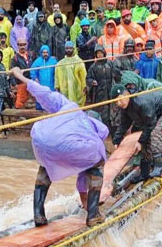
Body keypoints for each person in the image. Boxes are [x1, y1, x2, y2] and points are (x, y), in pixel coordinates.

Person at [11, 67, 107, 227]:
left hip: (41, 137)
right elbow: (83, 179)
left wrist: (18, 75)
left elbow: (44, 93)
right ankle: (93, 214)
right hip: (72, 145)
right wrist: (85, 201)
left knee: (46, 166)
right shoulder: (95, 135)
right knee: (97, 164)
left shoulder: (69, 106)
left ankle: (39, 215)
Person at [111, 71, 162, 182]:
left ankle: (158, 168)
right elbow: (124, 124)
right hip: (155, 112)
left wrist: (139, 142)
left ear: (127, 94)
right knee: (145, 139)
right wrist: (116, 140)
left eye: (121, 99)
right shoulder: (125, 108)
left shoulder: (141, 102)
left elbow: (150, 124)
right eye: (116, 102)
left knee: (155, 134)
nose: (119, 103)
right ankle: (144, 173)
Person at [86, 45, 117, 131]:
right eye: (98, 53)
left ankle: (112, 129)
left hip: (110, 90)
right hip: (99, 93)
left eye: (101, 53)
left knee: (112, 110)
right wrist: (92, 82)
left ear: (104, 53)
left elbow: (115, 75)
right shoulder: (93, 66)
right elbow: (88, 78)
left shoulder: (110, 63)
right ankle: (102, 129)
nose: (100, 55)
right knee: (101, 111)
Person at [55, 41, 86, 106]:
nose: (69, 50)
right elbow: (57, 76)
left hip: (77, 91)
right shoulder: (60, 63)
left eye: (70, 48)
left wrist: (85, 86)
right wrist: (57, 87)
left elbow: (84, 76)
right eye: (67, 48)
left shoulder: (79, 62)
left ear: (73, 49)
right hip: (65, 91)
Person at [30, 45, 58, 110]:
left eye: (46, 52)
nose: (45, 54)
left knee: (51, 101)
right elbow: (32, 71)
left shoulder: (53, 61)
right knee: (41, 101)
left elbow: (58, 72)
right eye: (43, 52)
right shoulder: (37, 61)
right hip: (41, 86)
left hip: (52, 85)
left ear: (49, 52)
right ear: (41, 53)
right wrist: (35, 79)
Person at [10, 38, 32, 109]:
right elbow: (12, 71)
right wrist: (14, 84)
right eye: (20, 45)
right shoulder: (15, 58)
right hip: (20, 82)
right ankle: (20, 116)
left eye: (24, 45)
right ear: (17, 46)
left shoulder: (31, 55)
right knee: (20, 100)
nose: (22, 47)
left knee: (29, 99)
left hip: (30, 80)